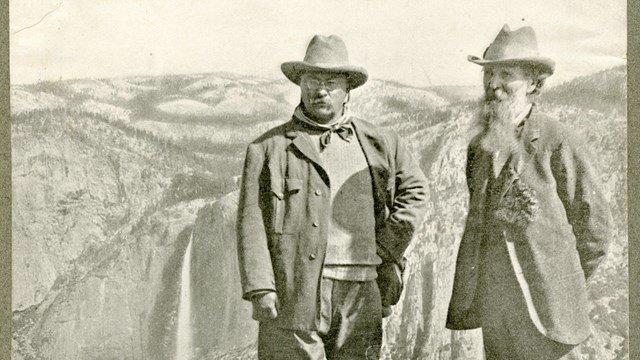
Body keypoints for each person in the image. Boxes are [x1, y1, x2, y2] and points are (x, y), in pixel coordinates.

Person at [236, 34, 428, 359]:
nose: (320, 90)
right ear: (300, 84)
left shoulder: (382, 144)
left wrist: (385, 248)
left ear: (347, 89)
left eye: (331, 81)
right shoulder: (267, 149)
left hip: (362, 293)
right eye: (312, 79)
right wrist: (261, 287)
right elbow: (251, 222)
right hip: (293, 293)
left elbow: (416, 194)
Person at [446, 25, 613, 359]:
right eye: (488, 74)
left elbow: (595, 232)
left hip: (545, 315)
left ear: (534, 84)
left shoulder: (559, 140)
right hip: (495, 308)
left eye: (506, 75)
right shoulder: (480, 145)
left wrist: (558, 284)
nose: (493, 85)